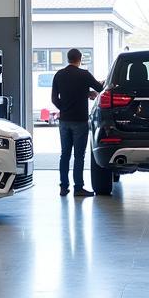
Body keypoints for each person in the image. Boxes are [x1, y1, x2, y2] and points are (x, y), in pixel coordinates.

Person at [51, 48, 104, 197]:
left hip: (64, 121)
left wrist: (66, 108)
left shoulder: (59, 75)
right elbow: (100, 88)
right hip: (80, 121)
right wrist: (90, 92)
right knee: (79, 156)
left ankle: (63, 187)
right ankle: (78, 188)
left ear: (68, 59)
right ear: (79, 59)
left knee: (64, 154)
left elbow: (54, 99)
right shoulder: (84, 75)